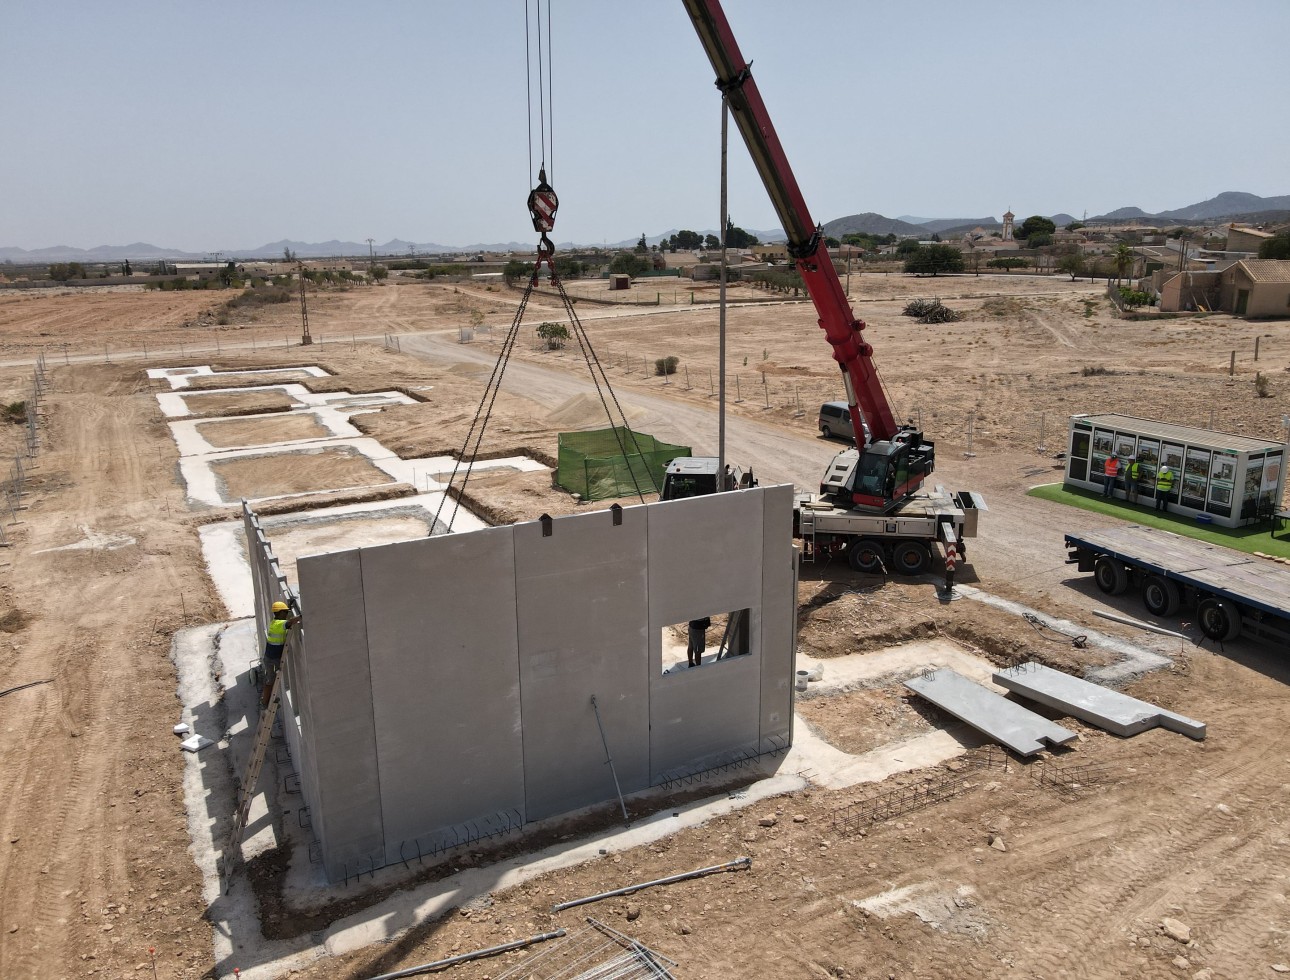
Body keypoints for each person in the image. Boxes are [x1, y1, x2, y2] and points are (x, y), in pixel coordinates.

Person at [261, 600, 301, 707]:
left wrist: (288, 606)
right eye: (285, 612)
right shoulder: (280, 624)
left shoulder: (274, 622)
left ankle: (266, 701)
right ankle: (266, 702)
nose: (287, 614)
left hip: (268, 656)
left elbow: (285, 620)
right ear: (280, 613)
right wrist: (302, 615)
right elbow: (290, 622)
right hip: (274, 658)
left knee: (270, 679)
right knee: (273, 679)